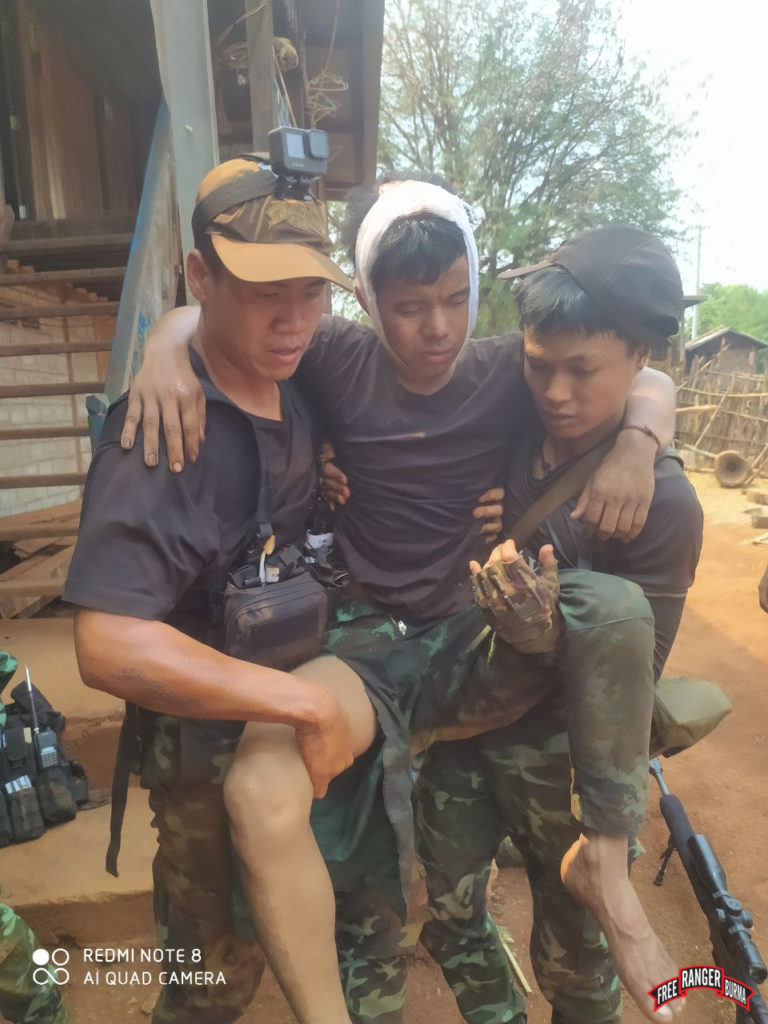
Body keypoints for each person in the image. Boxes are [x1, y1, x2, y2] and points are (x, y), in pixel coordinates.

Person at [124, 182, 678, 1023]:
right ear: (370, 302)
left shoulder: (508, 370)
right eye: (411, 306)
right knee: (286, 803)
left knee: (612, 607)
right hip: (368, 640)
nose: (439, 329)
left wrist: (639, 440)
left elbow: (640, 372)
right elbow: (222, 325)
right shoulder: (336, 357)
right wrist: (165, 344)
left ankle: (602, 851)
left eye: (457, 300)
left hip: (470, 634)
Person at [63, 156, 369, 1024]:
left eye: (313, 291)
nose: (295, 318)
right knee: (210, 985)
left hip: (279, 724)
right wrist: (303, 706)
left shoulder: (287, 376)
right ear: (200, 276)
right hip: (206, 759)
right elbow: (108, 643)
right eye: (264, 290)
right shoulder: (162, 433)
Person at [415, 228, 703, 1024]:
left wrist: (544, 638)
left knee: (576, 967)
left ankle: (600, 880)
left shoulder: (662, 503)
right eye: (540, 365)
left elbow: (634, 679)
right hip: (468, 732)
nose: (557, 392)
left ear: (639, 354)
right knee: (448, 913)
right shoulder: (512, 413)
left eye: (583, 371)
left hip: (564, 763)